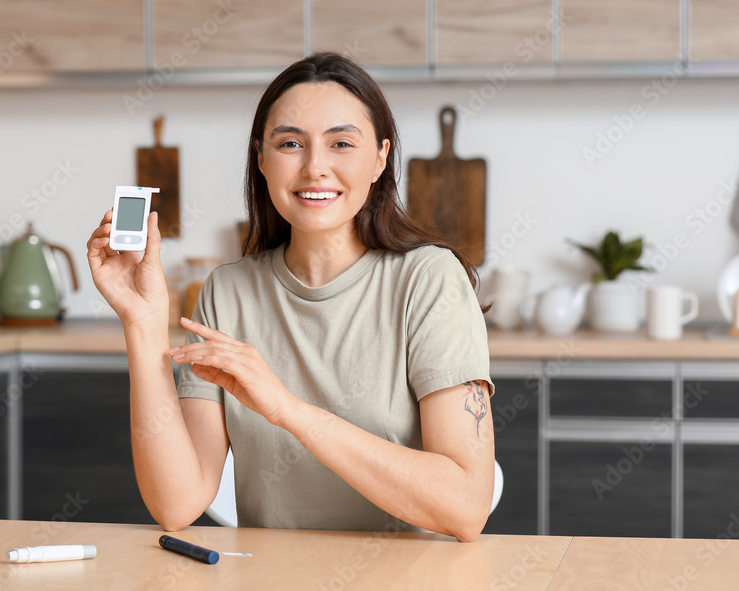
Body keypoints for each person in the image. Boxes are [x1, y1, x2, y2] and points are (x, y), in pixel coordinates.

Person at [87, 52, 494, 542]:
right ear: (261, 158)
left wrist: (287, 408)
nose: (314, 167)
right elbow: (177, 505)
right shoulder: (229, 291)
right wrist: (143, 322)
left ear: (380, 158)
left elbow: (466, 508)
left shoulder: (428, 280)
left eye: (341, 142)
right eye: (290, 144)